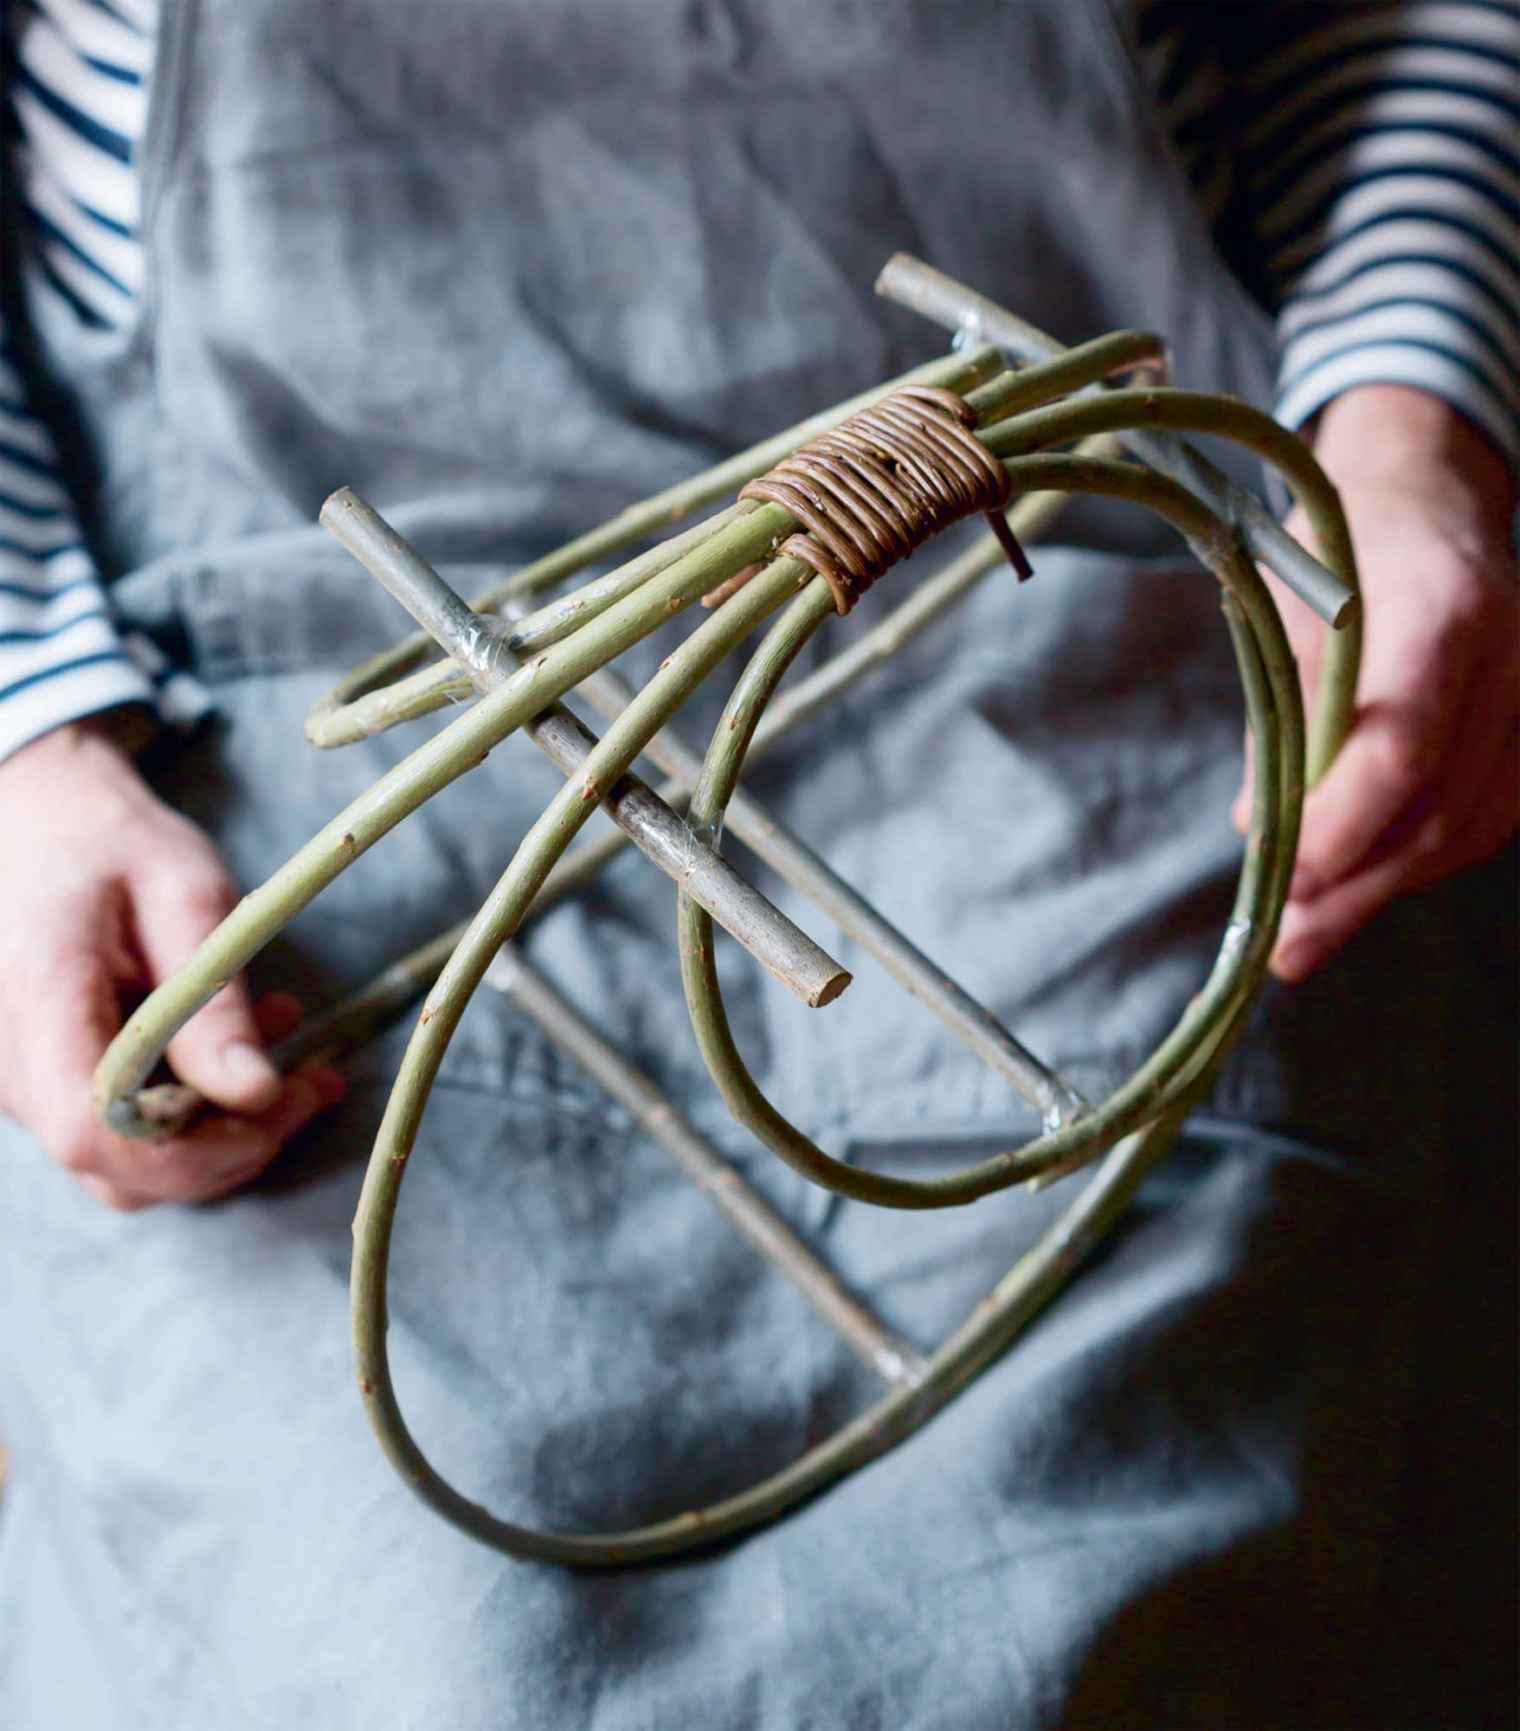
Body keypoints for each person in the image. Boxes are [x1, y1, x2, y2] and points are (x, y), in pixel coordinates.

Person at [0, 2, 1514, 1726]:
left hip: (1084, 640)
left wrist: (1417, 439)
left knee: (1095, 1635)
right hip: (254, 734)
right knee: (393, 1657)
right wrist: (25, 740)